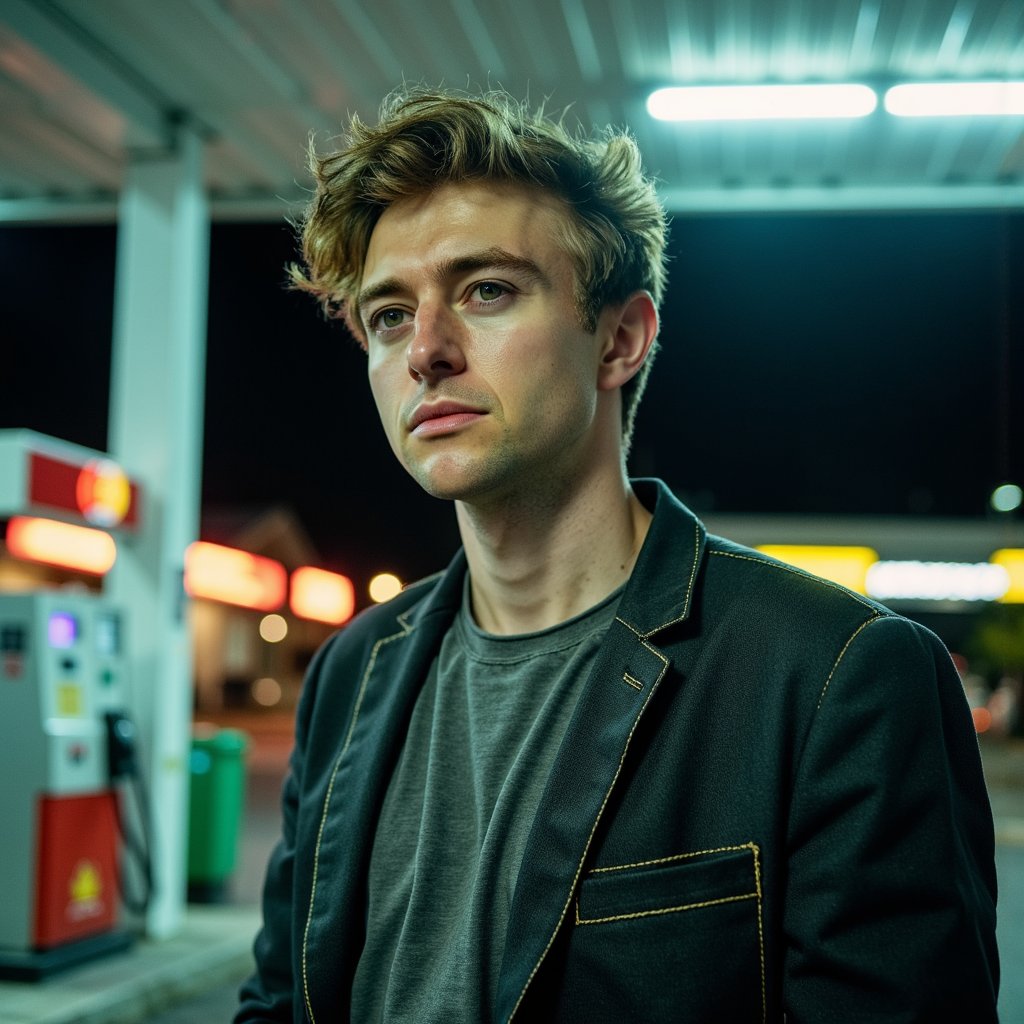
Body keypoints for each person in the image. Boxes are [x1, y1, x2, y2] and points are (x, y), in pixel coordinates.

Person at [236, 87, 999, 1023]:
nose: (427, 350)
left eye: (487, 291)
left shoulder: (837, 677)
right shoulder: (353, 670)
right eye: (390, 314)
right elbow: (281, 999)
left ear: (621, 337)